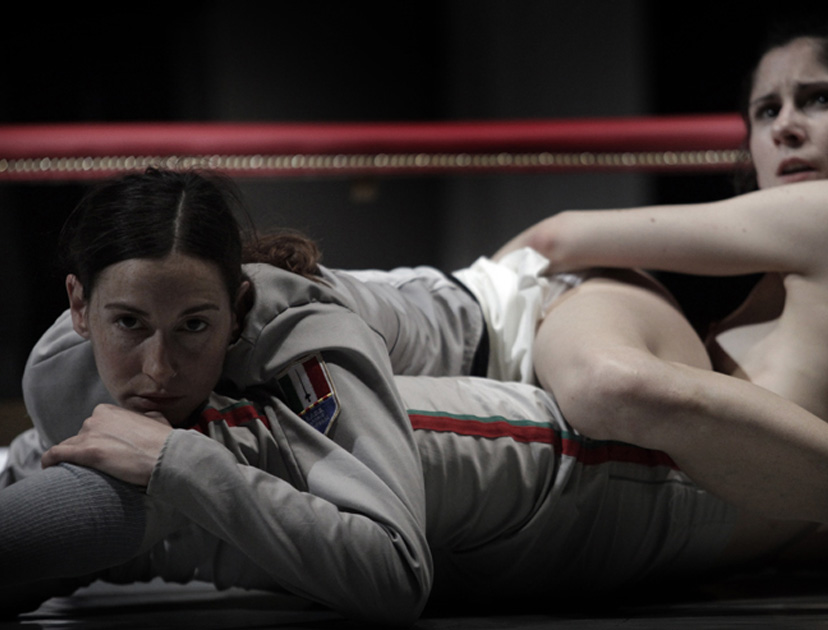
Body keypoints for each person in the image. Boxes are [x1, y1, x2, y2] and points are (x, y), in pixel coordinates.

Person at [1, 168, 741, 624]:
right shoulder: (57, 371)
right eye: (128, 324)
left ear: (238, 309)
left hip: (530, 319)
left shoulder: (302, 345)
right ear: (78, 307)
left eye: (195, 326)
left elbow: (396, 575)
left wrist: (181, 463)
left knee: (639, 394)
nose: (158, 369)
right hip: (441, 307)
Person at [490, 29, 828, 560]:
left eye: (821, 99)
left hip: (651, 512)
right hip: (680, 548)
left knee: (609, 286)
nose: (787, 127)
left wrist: (484, 295)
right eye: (767, 111)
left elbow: (553, 240)